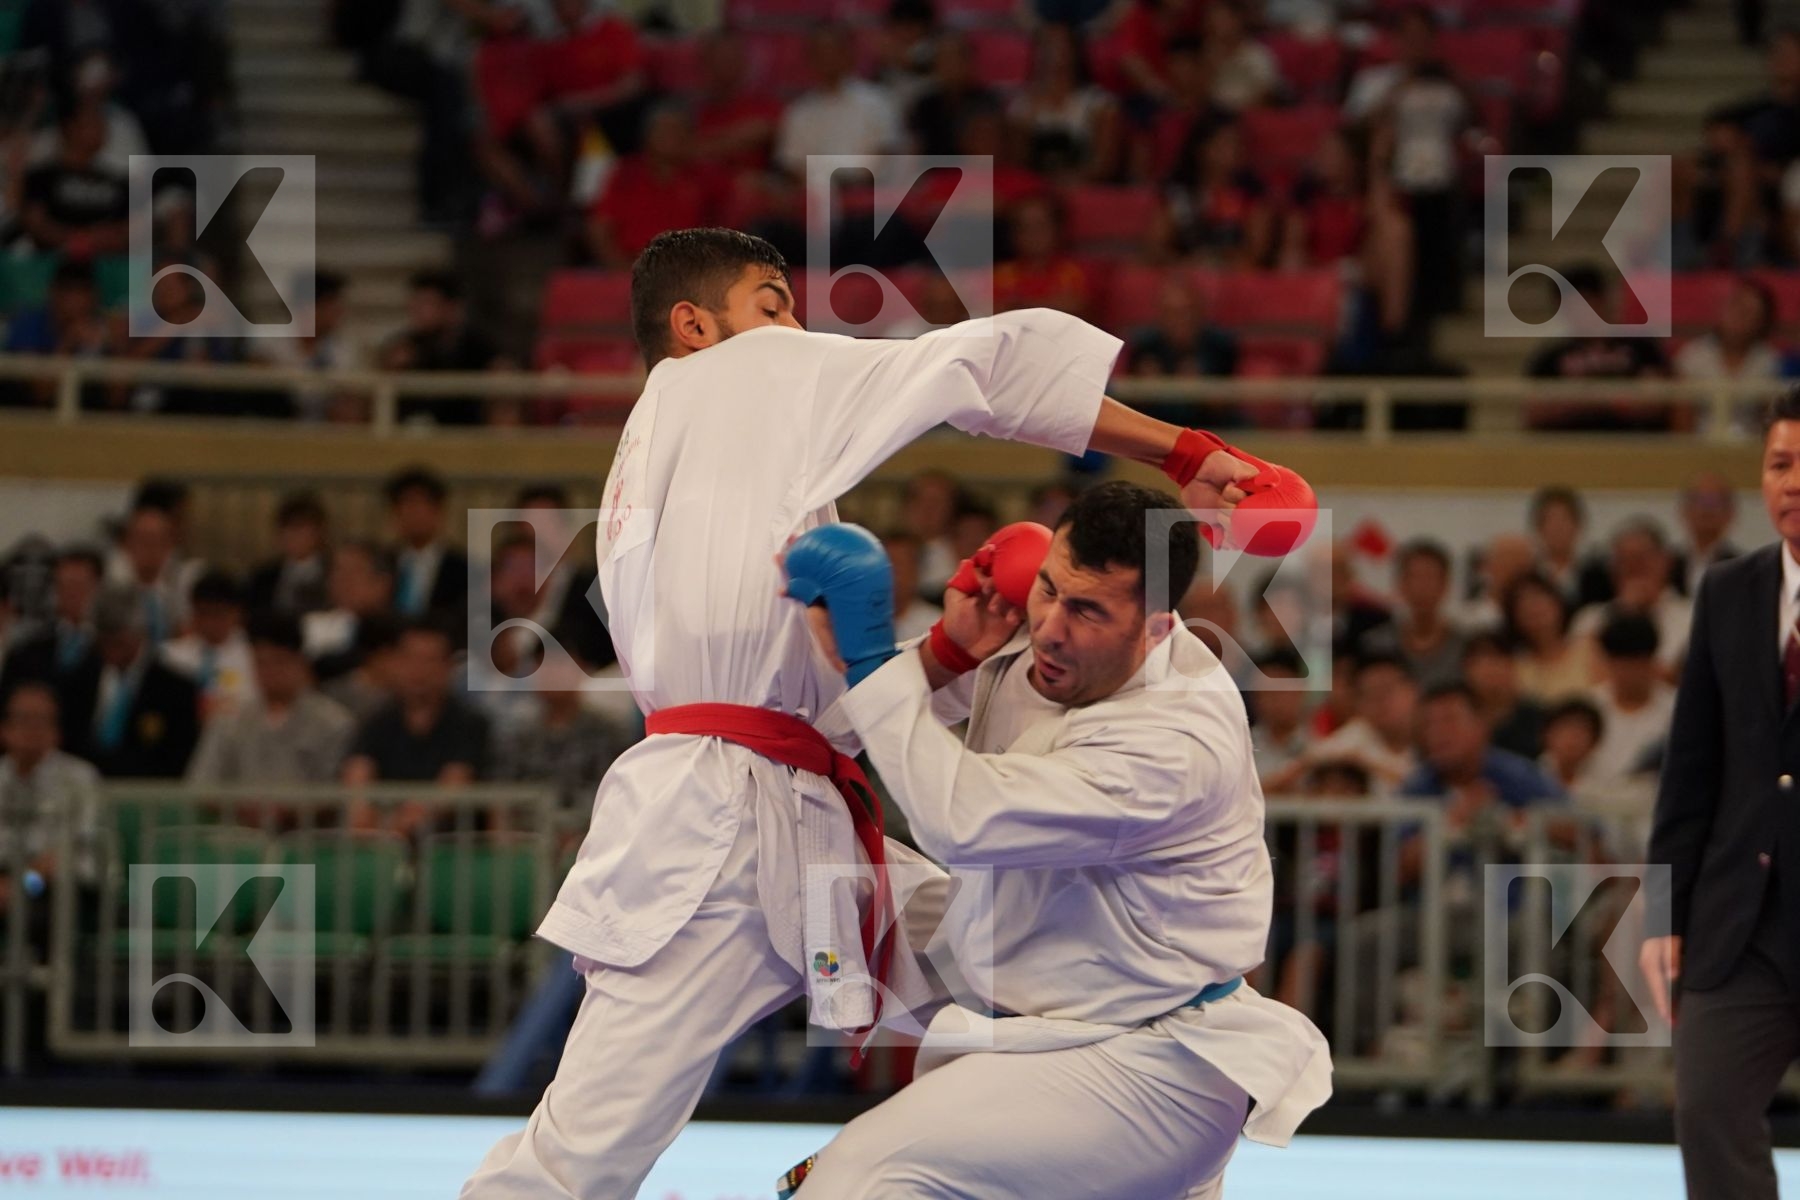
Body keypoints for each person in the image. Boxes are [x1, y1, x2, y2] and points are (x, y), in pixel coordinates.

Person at [460, 226, 1299, 1198]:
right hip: (714, 836)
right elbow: (979, 368)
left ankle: (1159, 1116)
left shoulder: (716, 471)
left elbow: (810, 717)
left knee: (1042, 950)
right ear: (694, 326)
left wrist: (946, 655)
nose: (794, 330)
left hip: (793, 814)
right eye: (771, 306)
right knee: (577, 1159)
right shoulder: (728, 378)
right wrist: (1187, 448)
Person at [783, 481, 1330, 1199]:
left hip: (1149, 1062)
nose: (1049, 627)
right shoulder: (1043, 635)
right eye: (1048, 588)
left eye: (1087, 610)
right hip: (1035, 984)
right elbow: (880, 715)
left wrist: (870, 660)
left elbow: (960, 818)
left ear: (1158, 628)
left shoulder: (1174, 742)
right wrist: (946, 647)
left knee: (854, 1181)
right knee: (805, 852)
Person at [1645, 386, 1800, 1200]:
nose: (1793, 482)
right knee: (1707, 1111)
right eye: (1779, 464)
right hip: (1740, 913)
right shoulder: (1730, 589)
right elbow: (1691, 767)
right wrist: (1663, 911)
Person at [185, 614, 356, 789]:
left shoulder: (333, 722)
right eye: (261, 663)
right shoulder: (229, 719)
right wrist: (241, 807)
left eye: (279, 661)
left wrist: (287, 811)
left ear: (300, 662)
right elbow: (202, 782)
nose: (270, 671)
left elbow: (335, 792)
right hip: (235, 814)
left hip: (305, 816)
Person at [0, 683, 103, 955]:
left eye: (41, 720)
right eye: (23, 719)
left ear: (56, 731)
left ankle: (48, 997)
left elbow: (69, 848)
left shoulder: (79, 778)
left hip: (58, 886)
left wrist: (23, 885)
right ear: (5, 729)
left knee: (41, 913)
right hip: (5, 879)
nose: (32, 729)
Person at [67, 586, 200, 778]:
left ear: (139, 633)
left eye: (118, 642)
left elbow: (178, 759)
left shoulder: (175, 689)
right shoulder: (79, 679)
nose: (110, 651)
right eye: (103, 642)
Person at [1584, 613, 1676, 790]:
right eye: (1620, 664)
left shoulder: (1677, 709)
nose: (1628, 673)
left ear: (1652, 661)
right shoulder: (1588, 707)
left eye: (1636, 663)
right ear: (1607, 662)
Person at [1361, 538, 1464, 688]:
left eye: (1430, 578)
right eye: (1414, 577)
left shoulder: (1464, 647)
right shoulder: (1376, 646)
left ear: (1445, 585)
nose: (1422, 587)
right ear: (1401, 585)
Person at [159, 571, 257, 719]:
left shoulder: (253, 658)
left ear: (237, 614)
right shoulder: (170, 655)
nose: (210, 622)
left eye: (218, 614)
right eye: (203, 613)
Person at [385, 466, 471, 631]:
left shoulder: (463, 568)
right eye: (406, 506)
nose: (414, 514)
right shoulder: (384, 562)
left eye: (421, 505)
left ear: (438, 512)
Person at [1505, 571, 1602, 705]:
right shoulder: (1515, 667)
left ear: (1557, 602)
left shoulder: (1590, 647)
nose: (1534, 607)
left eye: (1539, 598)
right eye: (1523, 604)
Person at [1461, 632, 1546, 760]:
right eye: (1480, 663)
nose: (1489, 670)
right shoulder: (1458, 719)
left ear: (1512, 665)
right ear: (1466, 670)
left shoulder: (1537, 719)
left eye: (1496, 660)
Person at [247, 492, 332, 618]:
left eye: (300, 527)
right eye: (287, 528)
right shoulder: (263, 577)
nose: (293, 535)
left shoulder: (333, 573)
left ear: (318, 532)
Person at [1673, 471, 1741, 598]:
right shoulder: (1666, 566)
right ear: (1683, 510)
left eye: (1715, 501)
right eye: (1698, 499)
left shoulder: (1743, 569)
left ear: (1730, 513)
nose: (1706, 508)